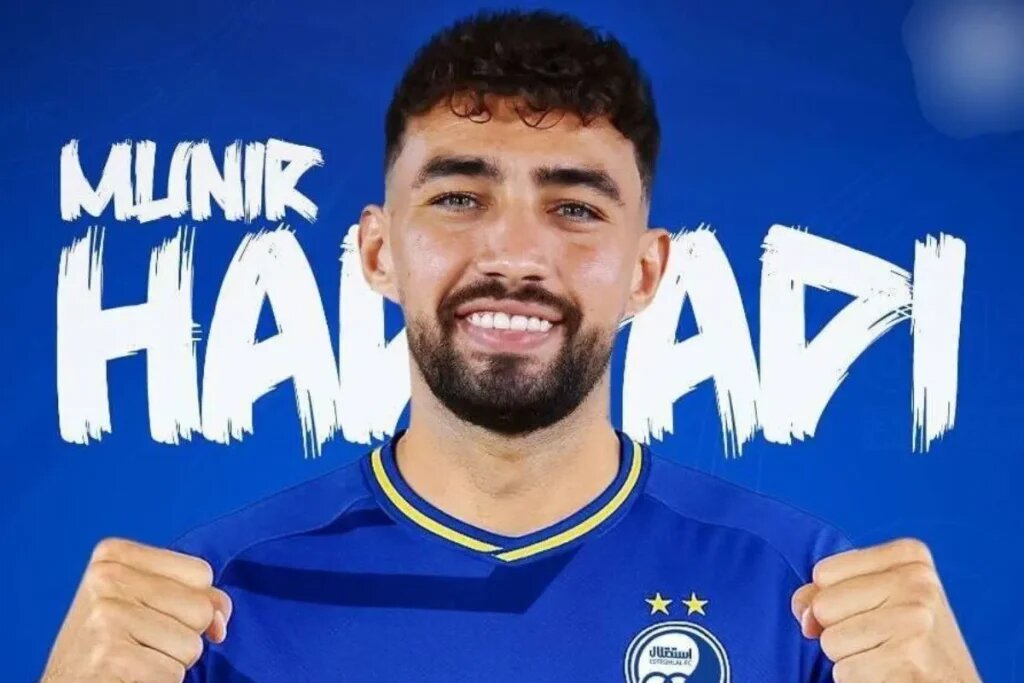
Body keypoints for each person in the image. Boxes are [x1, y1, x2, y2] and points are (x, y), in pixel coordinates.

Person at [41, 9, 981, 682]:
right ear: (377, 251)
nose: (515, 252)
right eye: (459, 197)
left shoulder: (808, 598)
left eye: (575, 207)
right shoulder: (203, 609)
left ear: (647, 270)